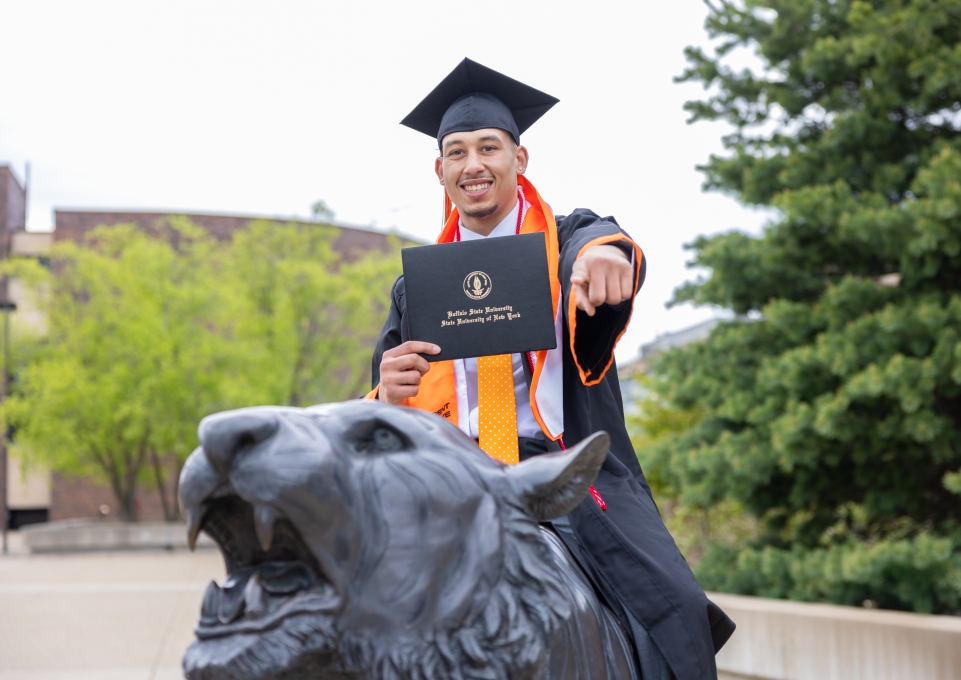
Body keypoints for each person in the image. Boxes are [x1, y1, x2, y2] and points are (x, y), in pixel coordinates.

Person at [367, 58, 734, 680]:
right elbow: (380, 399)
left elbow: (605, 241)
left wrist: (607, 261)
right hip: (454, 479)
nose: (472, 164)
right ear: (440, 171)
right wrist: (386, 390)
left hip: (562, 471)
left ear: (520, 158)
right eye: (456, 152)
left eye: (489, 147)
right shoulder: (418, 288)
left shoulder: (566, 242)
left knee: (676, 608)